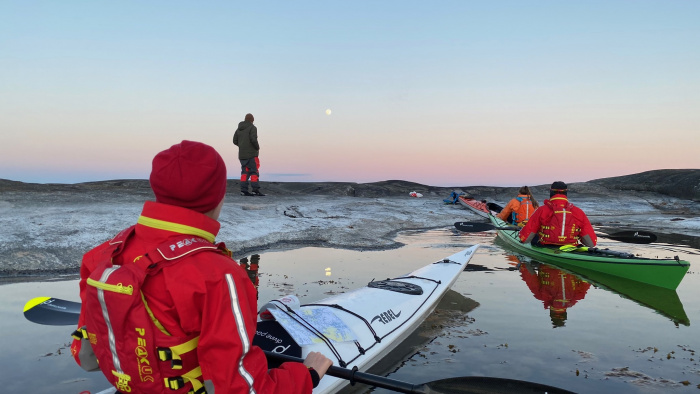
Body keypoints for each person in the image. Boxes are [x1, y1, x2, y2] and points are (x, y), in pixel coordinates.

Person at [70, 140, 331, 394]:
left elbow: (88, 356)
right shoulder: (220, 275)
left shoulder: (101, 256)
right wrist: (306, 376)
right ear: (217, 199)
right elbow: (238, 390)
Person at [518, 181, 597, 247]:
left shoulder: (541, 210)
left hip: (546, 246)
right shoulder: (578, 212)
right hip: (571, 247)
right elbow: (591, 243)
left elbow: (525, 239)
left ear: (551, 192)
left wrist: (521, 237)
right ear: (566, 193)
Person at [233, 113, 264, 196]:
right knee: (254, 172)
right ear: (252, 120)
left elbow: (234, 141)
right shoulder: (252, 128)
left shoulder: (239, 129)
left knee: (244, 173)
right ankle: (255, 190)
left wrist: (242, 146)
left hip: (242, 155)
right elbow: (253, 139)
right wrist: (257, 147)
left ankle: (243, 191)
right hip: (251, 154)